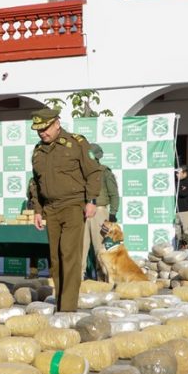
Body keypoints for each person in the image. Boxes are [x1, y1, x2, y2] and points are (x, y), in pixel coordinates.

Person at [29, 108, 102, 312]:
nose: (42, 133)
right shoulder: (38, 150)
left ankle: (67, 309)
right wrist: (37, 210)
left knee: (69, 255)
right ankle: (61, 301)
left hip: (73, 205)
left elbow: (94, 171)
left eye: (45, 128)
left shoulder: (77, 143)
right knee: (55, 259)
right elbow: (35, 183)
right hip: (51, 209)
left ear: (57, 123)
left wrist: (92, 200)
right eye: (38, 130)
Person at [81, 143, 119, 281]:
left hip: (100, 212)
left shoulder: (104, 172)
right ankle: (78, 281)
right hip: (83, 212)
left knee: (101, 249)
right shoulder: (81, 172)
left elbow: (114, 194)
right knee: (81, 248)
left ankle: (104, 281)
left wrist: (113, 213)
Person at [175, 166, 188, 248]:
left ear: (184, 173)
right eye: (176, 173)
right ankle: (179, 252)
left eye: (178, 173)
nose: (176, 175)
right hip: (177, 211)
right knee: (177, 234)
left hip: (186, 211)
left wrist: (177, 189)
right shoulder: (176, 182)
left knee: (187, 233)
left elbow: (184, 193)